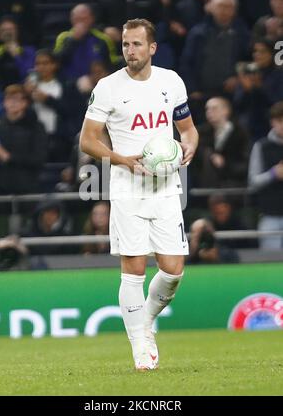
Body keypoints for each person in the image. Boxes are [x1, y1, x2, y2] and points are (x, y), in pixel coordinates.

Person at [80, 18, 198, 370]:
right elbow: (88, 139)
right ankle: (140, 346)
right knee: (133, 268)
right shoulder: (108, 87)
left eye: (136, 44)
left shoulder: (171, 81)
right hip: (126, 187)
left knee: (174, 270)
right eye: (125, 45)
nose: (129, 51)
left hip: (165, 188)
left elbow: (188, 129)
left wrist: (189, 147)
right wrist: (121, 160)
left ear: (152, 48)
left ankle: (143, 320)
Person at [0, 84, 47, 195]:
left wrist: (9, 157)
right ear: (3, 103)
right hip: (0, 188)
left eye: (17, 99)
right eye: (9, 99)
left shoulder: (36, 128)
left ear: (25, 103)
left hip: (28, 187)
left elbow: (38, 159)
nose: (12, 103)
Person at [248, 101, 283, 250]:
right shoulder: (261, 146)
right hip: (270, 214)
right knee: (269, 262)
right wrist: (273, 174)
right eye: (280, 121)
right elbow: (253, 182)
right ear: (272, 122)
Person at [0, 16, 36, 88]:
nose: (7, 32)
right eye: (3, 30)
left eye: (11, 29)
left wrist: (16, 57)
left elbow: (29, 75)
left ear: (17, 31)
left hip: (23, 91)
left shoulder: (29, 51)